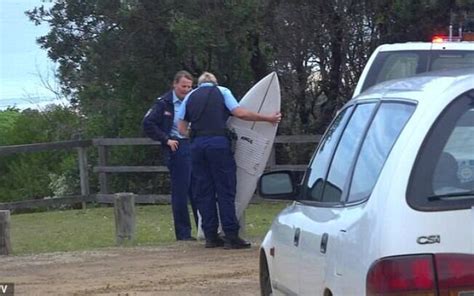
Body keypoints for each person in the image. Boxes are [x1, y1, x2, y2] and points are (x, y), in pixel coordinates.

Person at [177, 72, 281, 249]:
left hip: (197, 147)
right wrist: (267, 119)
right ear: (214, 82)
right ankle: (231, 236)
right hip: (218, 144)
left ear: (200, 84)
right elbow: (240, 113)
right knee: (225, 189)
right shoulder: (222, 91)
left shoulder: (190, 96)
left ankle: (210, 236)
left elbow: (181, 129)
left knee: (204, 191)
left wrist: (197, 136)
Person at [143, 70, 198, 241]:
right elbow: (148, 123)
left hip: (192, 145)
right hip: (176, 146)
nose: (186, 90)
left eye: (189, 87)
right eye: (183, 86)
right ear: (175, 84)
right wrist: (166, 139)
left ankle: (205, 229)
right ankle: (183, 233)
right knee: (181, 192)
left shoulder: (193, 100)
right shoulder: (163, 103)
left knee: (198, 190)